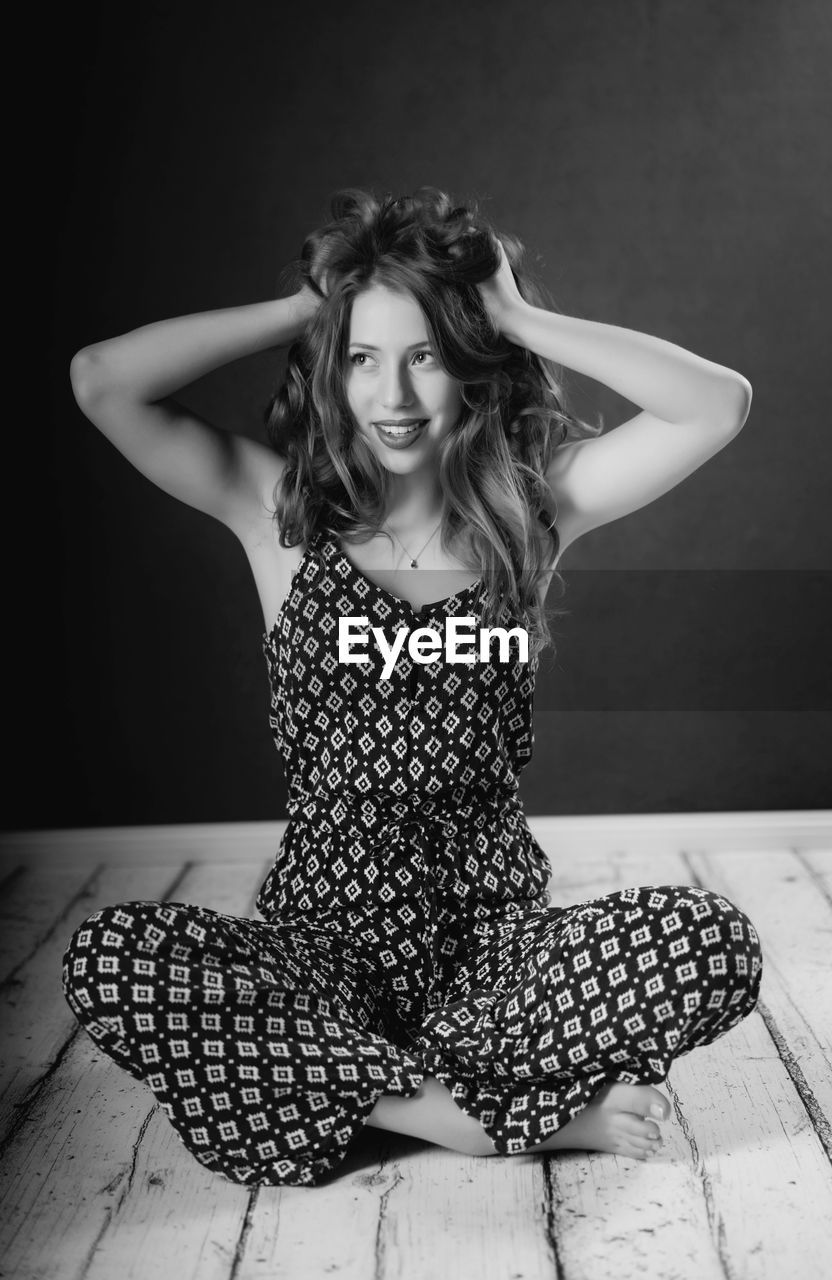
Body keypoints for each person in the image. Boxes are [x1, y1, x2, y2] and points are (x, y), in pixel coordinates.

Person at [61, 187, 762, 1188]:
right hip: (324, 955)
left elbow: (717, 403)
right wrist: (309, 306)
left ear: (470, 361)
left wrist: (518, 315)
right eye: (361, 357)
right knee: (113, 955)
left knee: (712, 943)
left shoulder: (531, 515)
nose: (392, 393)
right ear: (330, 370)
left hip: (494, 956)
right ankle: (465, 1113)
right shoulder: (279, 520)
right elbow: (100, 381)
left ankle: (356, 1098)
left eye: (423, 354)